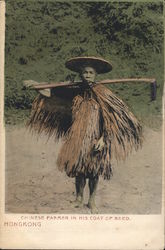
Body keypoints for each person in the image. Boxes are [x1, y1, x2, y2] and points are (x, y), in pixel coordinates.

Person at [27, 56, 143, 214]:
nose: (87, 75)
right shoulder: (74, 91)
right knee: (79, 170)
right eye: (85, 72)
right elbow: (50, 93)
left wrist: (104, 139)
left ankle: (92, 201)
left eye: (90, 72)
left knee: (94, 172)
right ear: (80, 75)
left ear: (96, 75)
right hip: (78, 139)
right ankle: (79, 198)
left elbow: (111, 120)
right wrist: (34, 84)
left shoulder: (102, 93)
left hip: (96, 139)